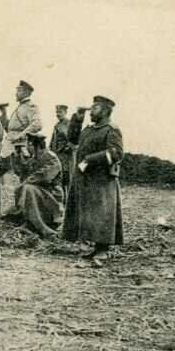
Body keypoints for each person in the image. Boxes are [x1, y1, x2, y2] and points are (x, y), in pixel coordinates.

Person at [63, 96, 124, 260]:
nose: (91, 110)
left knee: (102, 214)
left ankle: (103, 249)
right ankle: (95, 247)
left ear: (105, 111)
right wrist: (77, 118)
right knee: (90, 213)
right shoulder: (89, 129)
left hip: (101, 180)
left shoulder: (111, 129)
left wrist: (90, 159)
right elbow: (72, 139)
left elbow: (116, 153)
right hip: (86, 179)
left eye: (95, 108)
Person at [5, 132, 64, 237]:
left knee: (28, 188)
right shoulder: (35, 158)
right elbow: (21, 172)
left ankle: (38, 226)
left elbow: (45, 177)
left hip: (52, 197)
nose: (27, 147)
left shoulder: (51, 157)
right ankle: (29, 221)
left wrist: (27, 181)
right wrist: (17, 157)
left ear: (34, 145)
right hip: (41, 197)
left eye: (29, 145)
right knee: (23, 188)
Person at [49, 104, 75, 197]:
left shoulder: (69, 124)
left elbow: (73, 140)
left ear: (65, 112)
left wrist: (66, 148)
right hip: (57, 156)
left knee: (67, 179)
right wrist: (50, 151)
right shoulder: (57, 125)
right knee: (59, 179)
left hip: (66, 158)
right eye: (57, 112)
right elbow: (53, 140)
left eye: (60, 112)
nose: (58, 114)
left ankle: (68, 201)